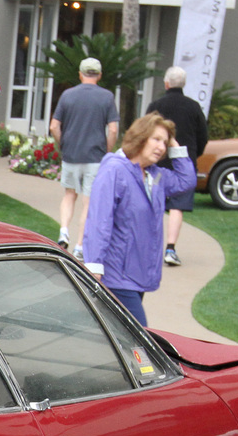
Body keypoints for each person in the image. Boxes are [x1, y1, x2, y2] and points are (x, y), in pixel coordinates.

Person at [81, 112, 197, 326]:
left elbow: (186, 181)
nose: (161, 147)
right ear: (140, 137)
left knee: (125, 342)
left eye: (165, 142)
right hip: (115, 276)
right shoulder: (114, 170)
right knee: (142, 340)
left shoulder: (154, 175)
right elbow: (99, 222)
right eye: (156, 139)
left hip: (137, 276)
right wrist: (94, 267)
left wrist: (174, 144)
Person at [49, 57, 118, 257]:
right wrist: (107, 151)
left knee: (69, 194)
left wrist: (62, 143)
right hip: (95, 157)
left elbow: (54, 125)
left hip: (71, 154)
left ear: (80, 74)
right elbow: (113, 130)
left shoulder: (68, 95)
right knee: (88, 202)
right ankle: (79, 245)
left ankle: (63, 231)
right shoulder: (106, 97)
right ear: (99, 75)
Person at [146, 66, 209, 266]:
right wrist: (193, 155)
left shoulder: (156, 106)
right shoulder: (193, 107)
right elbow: (203, 136)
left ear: (166, 84)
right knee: (177, 206)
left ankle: (148, 247)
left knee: (151, 201)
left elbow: (144, 130)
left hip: (157, 163)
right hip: (183, 163)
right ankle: (170, 248)